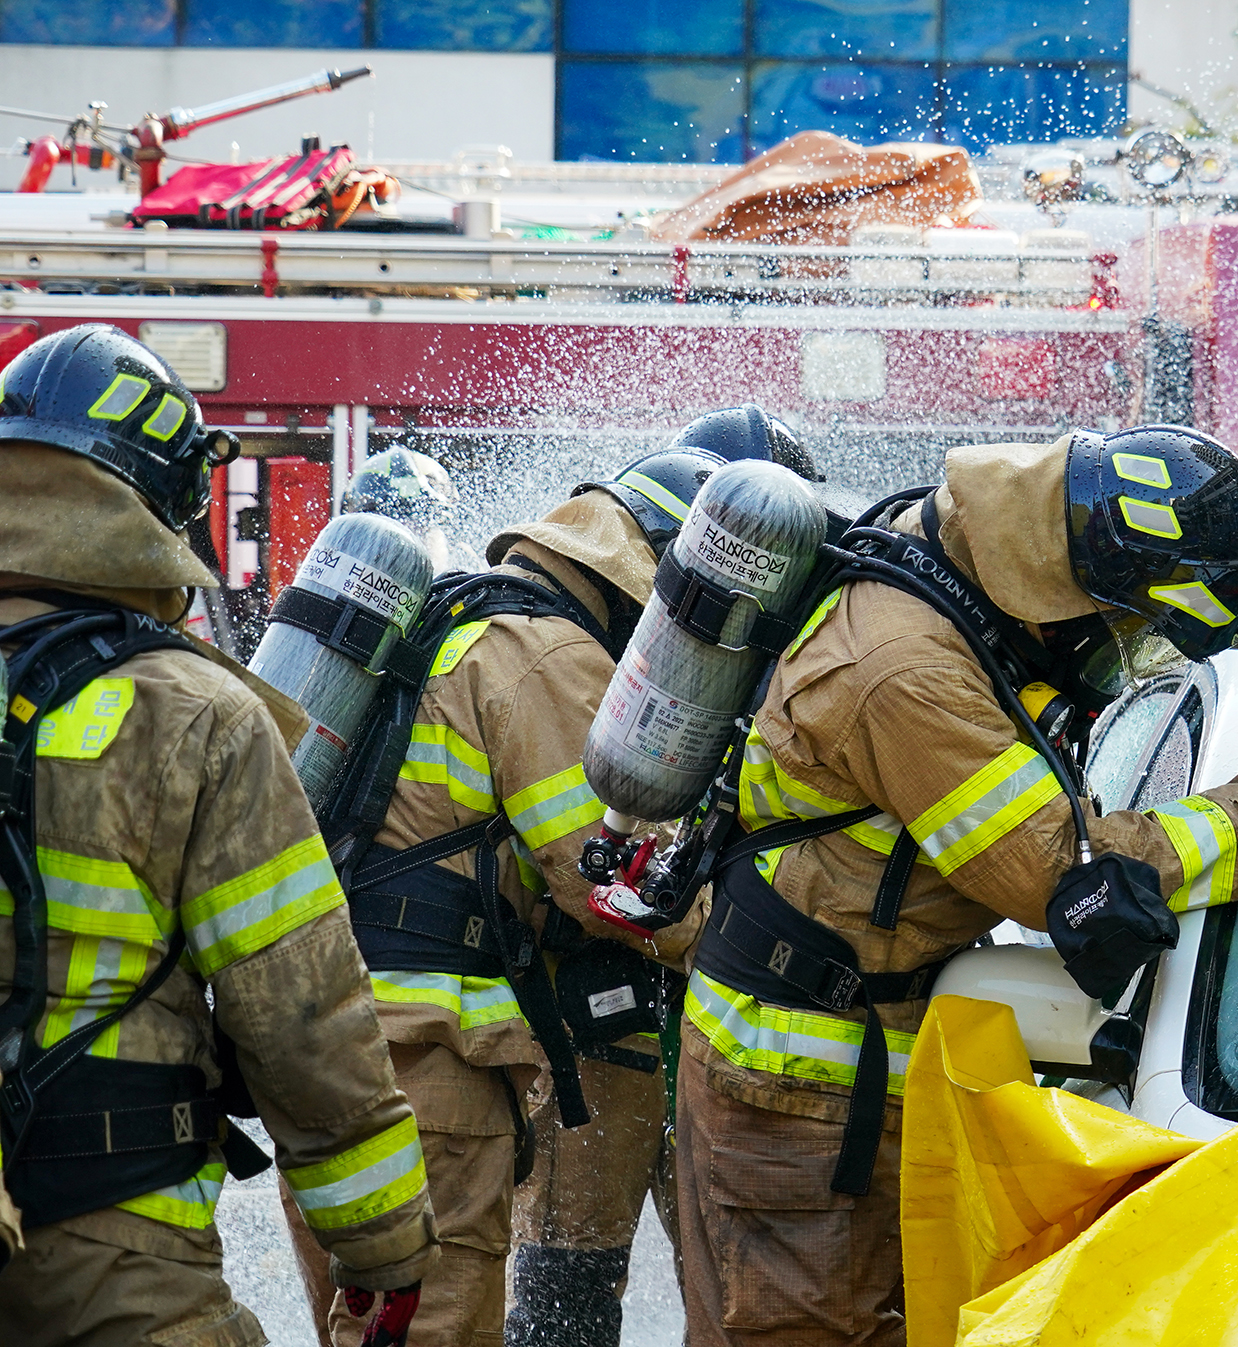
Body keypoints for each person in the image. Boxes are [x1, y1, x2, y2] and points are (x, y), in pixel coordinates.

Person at [668, 425, 1238, 1345]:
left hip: (874, 1039)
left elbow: (1231, 560)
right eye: (1129, 636)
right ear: (1081, 594)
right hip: (795, 1081)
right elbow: (1059, 870)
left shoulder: (1047, 529)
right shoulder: (901, 672)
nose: (1125, 657)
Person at [0, 325, 439, 1346]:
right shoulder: (195, 712)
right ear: (164, 497)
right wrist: (382, 1245)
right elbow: (299, 1009)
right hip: (110, 1228)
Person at [281, 444, 722, 1346]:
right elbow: (608, 882)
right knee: (433, 1325)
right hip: (427, 1069)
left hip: (326, 1041)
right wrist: (737, 931)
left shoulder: (449, 617)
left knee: (366, 1325)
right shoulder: (545, 654)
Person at [506, 408, 826, 1347]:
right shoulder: (562, 651)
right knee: (570, 1300)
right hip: (598, 1026)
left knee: (722, 1293)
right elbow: (596, 872)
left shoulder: (620, 639)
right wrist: (764, 942)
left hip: (664, 1023)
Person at [343, 446, 483, 575]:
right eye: (387, 534)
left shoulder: (468, 575)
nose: (404, 545)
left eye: (421, 527)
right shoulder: (340, 571)